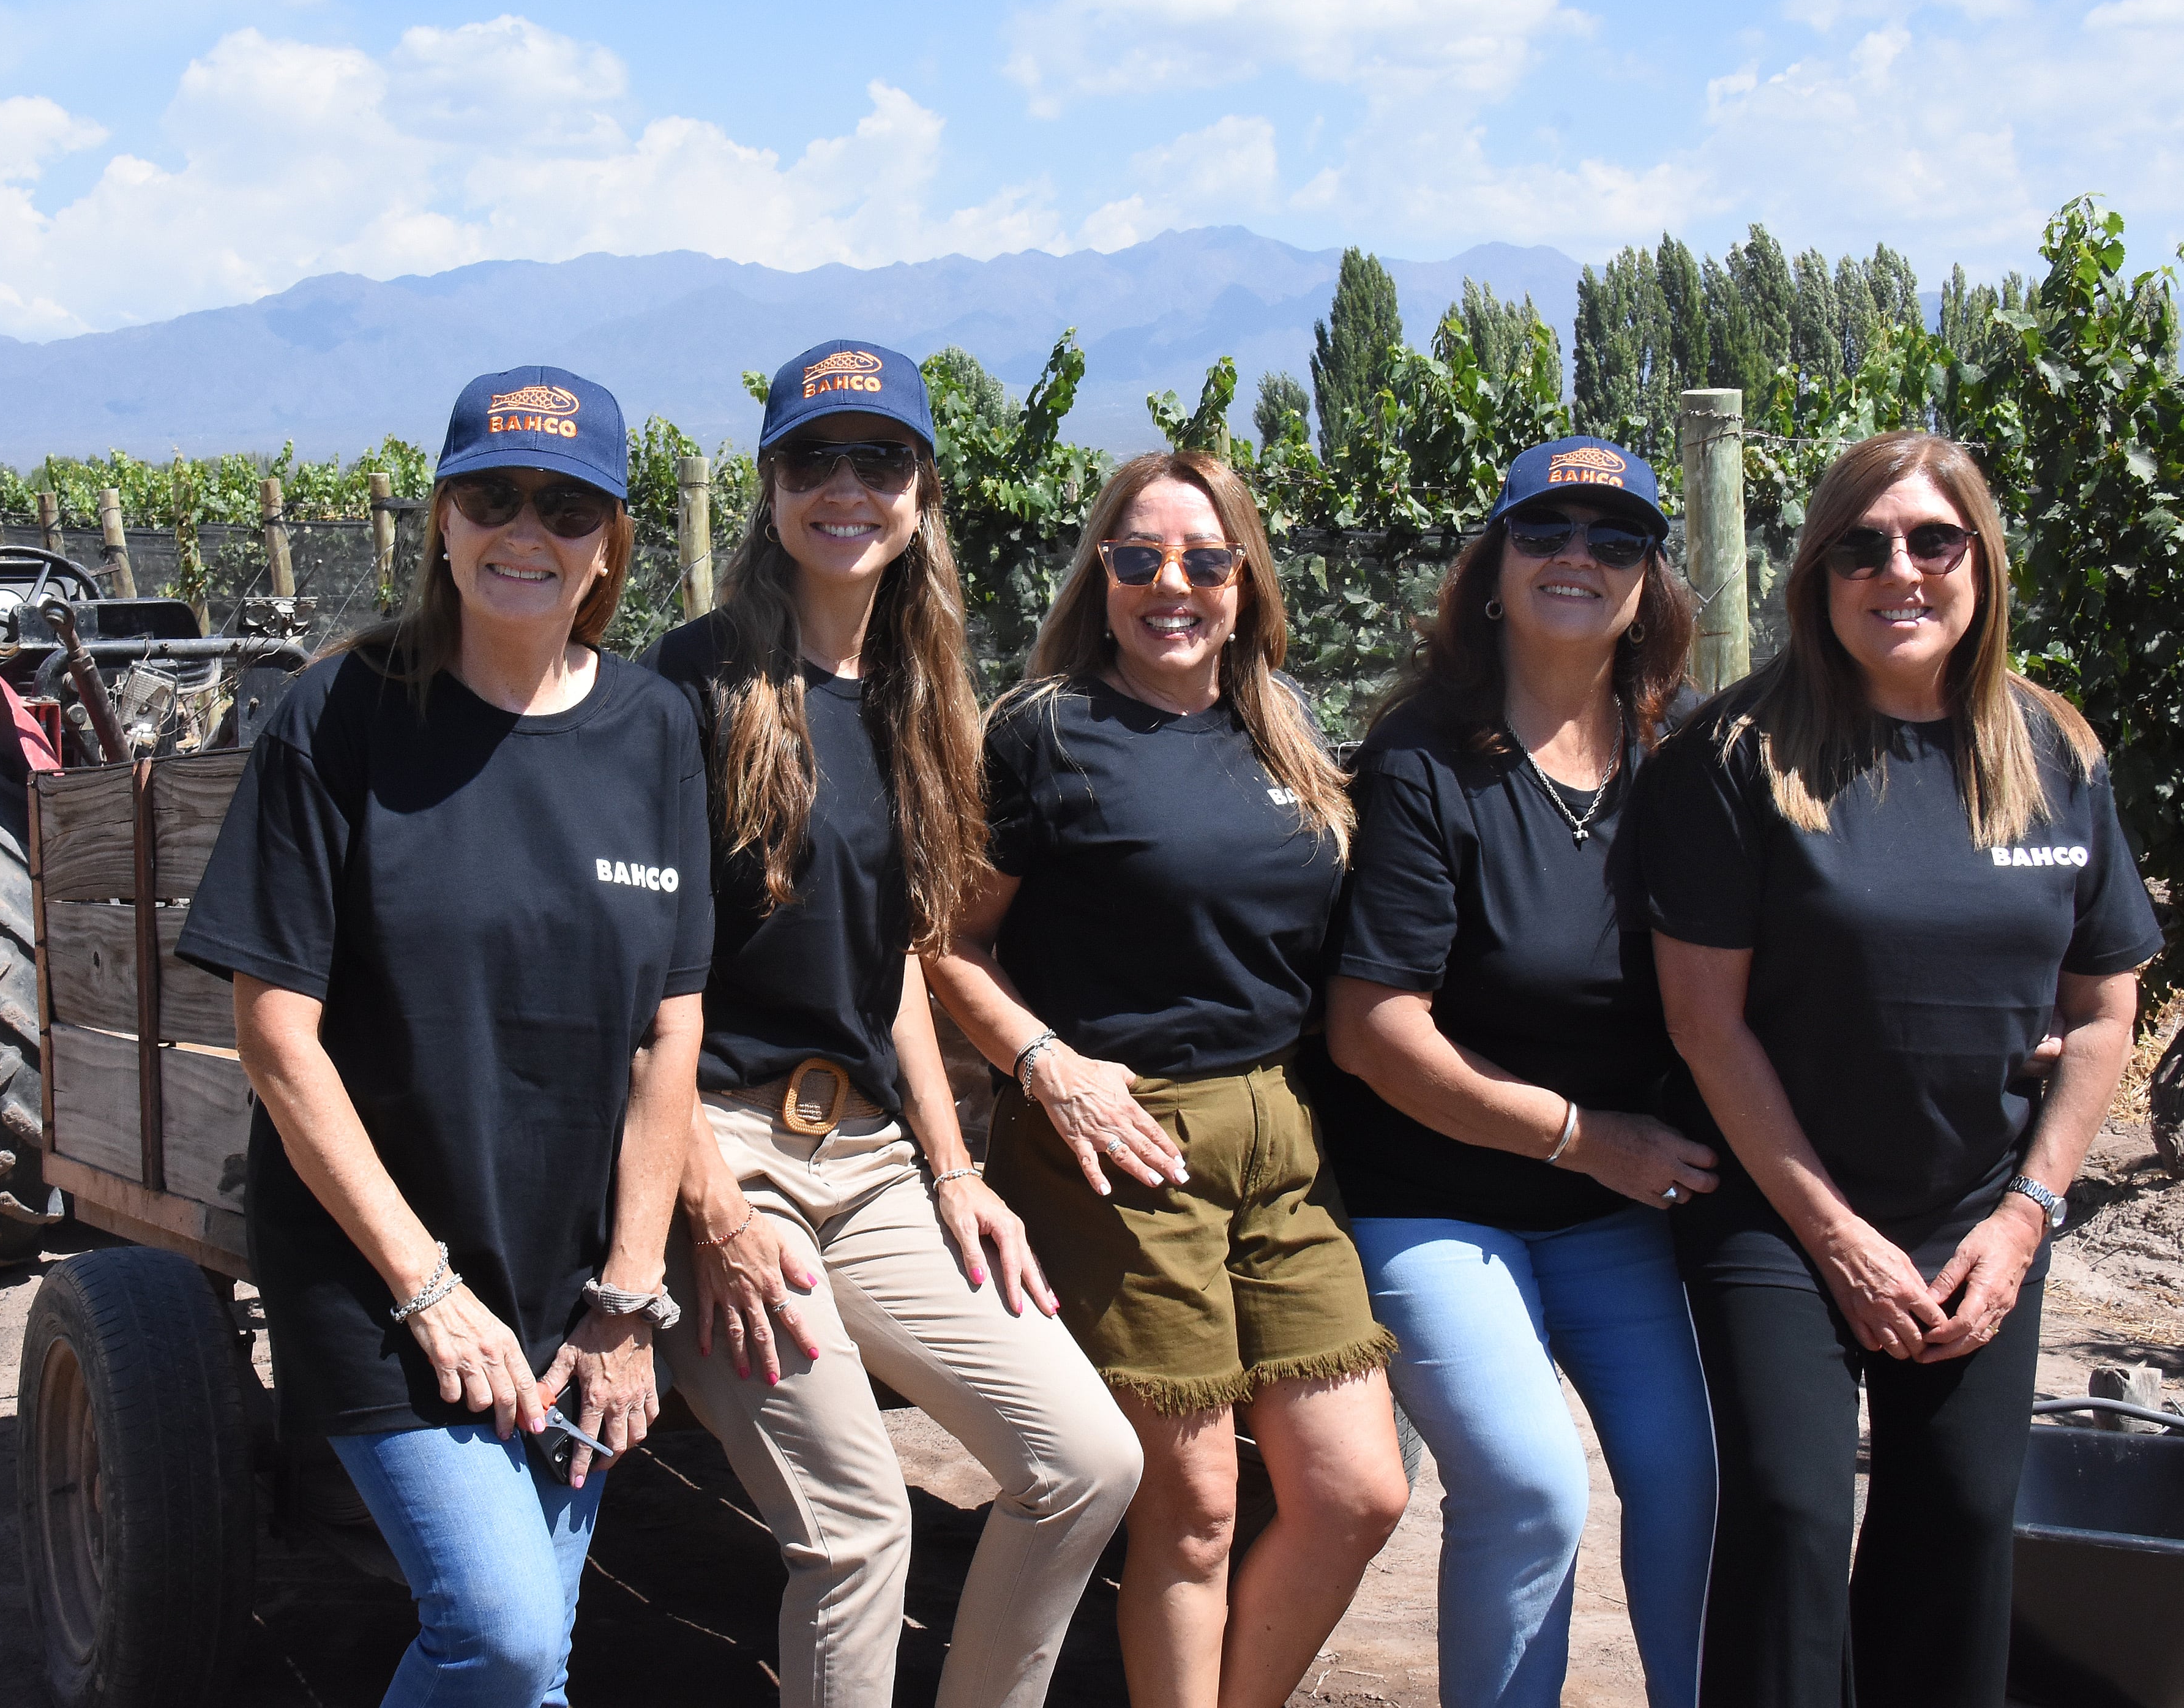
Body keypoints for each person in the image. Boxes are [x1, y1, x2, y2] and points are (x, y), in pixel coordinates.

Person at [178, 366, 711, 1708]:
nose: (525, 530)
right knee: (503, 1633)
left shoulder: (655, 730)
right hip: (374, 1271)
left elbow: (671, 1032)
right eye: (492, 493)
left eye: (566, 504)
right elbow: (276, 1034)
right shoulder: (340, 717)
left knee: (535, 1671)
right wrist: (425, 1289)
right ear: (440, 518)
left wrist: (627, 1301)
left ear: (610, 546)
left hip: (571, 1290)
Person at [645, 339, 1140, 1708]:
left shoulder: (923, 698)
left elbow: (907, 963)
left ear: (921, 491)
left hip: (869, 1167)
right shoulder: (693, 687)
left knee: (1086, 1464)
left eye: (880, 460)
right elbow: (637, 984)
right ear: (769, 486)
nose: (846, 487)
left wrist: (957, 1169)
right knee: (860, 1530)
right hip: (722, 1159)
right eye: (815, 458)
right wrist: (711, 1208)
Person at [1638, 430, 2162, 1708]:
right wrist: (1840, 1241)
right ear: (1818, 575)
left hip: (1976, 1210)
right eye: (1862, 547)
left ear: (1980, 563)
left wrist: (2025, 1217)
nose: (1900, 570)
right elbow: (1708, 1026)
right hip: (1777, 1210)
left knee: (1967, 1518)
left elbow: (2103, 1012)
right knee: (1793, 1515)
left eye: (1934, 541)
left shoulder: (2056, 754)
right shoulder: (1737, 757)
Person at [926, 449, 1408, 1708]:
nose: (1169, 585)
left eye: (1202, 560)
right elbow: (948, 945)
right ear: (1101, 574)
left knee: (1359, 1491)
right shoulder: (1043, 737)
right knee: (1192, 1507)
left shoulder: (1285, 728)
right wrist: (1045, 1064)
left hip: (1282, 1140)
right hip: (1120, 1142)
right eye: (1136, 559)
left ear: (1244, 581)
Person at [1317, 436, 1718, 1708]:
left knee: (1691, 1475)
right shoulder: (1424, 762)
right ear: (1492, 568)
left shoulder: (1688, 764)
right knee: (1532, 1482)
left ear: (1651, 581)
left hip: (1614, 1216)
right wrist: (1583, 1137)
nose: (1578, 558)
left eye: (1615, 539)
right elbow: (1374, 1028)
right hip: (1434, 1202)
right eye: (1545, 531)